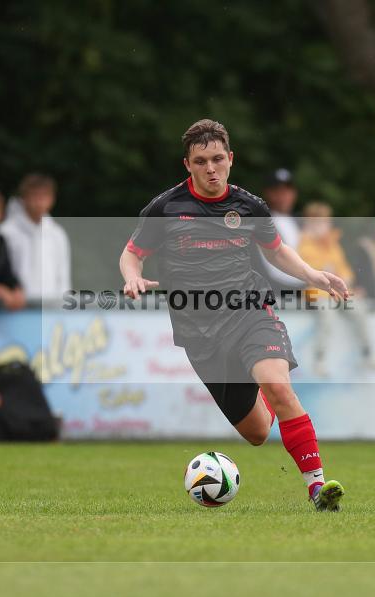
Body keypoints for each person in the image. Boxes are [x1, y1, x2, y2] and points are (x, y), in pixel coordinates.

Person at [120, 119, 347, 511]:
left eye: (218, 159)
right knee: (258, 432)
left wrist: (313, 275)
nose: (211, 169)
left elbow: (276, 250)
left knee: (278, 386)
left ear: (231, 159)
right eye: (201, 161)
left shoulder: (249, 205)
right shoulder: (166, 207)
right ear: (187, 165)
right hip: (200, 332)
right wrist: (133, 277)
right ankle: (267, 389)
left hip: (250, 311)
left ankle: (317, 487)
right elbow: (132, 253)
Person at [298, 202, 375, 374]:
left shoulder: (333, 244)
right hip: (315, 293)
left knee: (360, 310)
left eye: (324, 222)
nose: (321, 227)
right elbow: (309, 268)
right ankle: (319, 360)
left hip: (337, 292)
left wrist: (347, 281)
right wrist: (329, 271)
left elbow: (344, 271)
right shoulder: (303, 243)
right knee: (327, 317)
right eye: (316, 222)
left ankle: (367, 355)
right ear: (308, 224)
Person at [0, 173, 71, 301]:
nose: (39, 201)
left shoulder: (57, 233)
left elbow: (63, 276)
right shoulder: (6, 232)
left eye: (44, 196)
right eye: (34, 195)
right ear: (24, 198)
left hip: (50, 309)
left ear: (52, 199)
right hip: (16, 308)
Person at [257, 168, 305, 293]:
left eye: (288, 190)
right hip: (284, 295)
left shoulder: (302, 223)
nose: (284, 195)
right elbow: (275, 272)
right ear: (267, 193)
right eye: (277, 190)